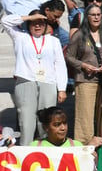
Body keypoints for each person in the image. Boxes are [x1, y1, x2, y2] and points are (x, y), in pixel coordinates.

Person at [1, 11, 67, 145]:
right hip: (26, 81)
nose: (37, 26)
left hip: (48, 82)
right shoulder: (20, 37)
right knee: (26, 121)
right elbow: (5, 21)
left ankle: (46, 149)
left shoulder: (53, 41)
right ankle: (26, 151)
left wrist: (61, 88)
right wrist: (30, 16)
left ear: (46, 25)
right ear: (28, 24)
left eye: (40, 23)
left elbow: (60, 64)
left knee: (47, 120)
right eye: (34, 23)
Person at [65, 4, 102, 143]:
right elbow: (69, 56)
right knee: (84, 117)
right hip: (85, 80)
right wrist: (82, 65)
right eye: (93, 15)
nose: (96, 17)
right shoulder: (80, 34)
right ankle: (84, 146)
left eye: (98, 14)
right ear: (87, 17)